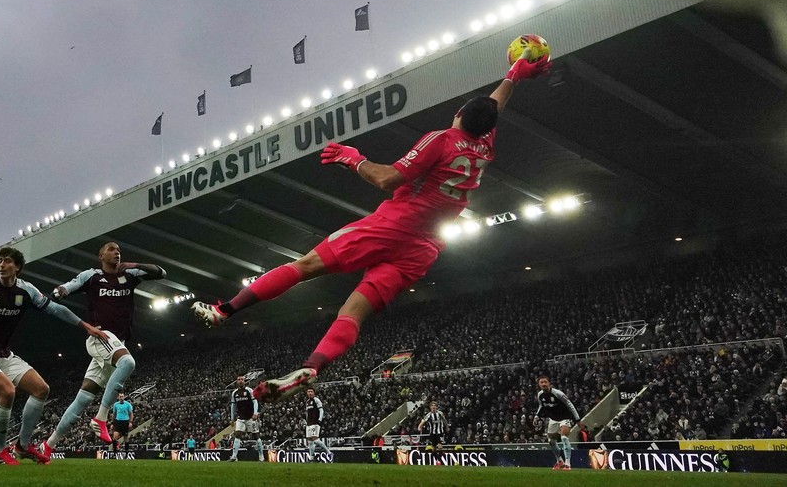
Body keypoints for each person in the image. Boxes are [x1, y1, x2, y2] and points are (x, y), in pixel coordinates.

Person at [193, 51, 553, 400]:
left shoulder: (442, 139)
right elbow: (493, 106)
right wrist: (514, 75)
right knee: (353, 312)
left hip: (392, 227)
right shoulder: (485, 145)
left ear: (458, 113)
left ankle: (225, 311)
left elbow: (387, 178)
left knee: (305, 266)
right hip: (423, 250)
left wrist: (353, 158)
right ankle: (312, 367)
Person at [0, 246, 110, 465]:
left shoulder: (26, 290)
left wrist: (86, 326)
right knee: (8, 392)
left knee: (41, 389)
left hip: (3, 354)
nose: (1, 265)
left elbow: (55, 309)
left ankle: (23, 445)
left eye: (7, 261)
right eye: (0, 261)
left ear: (17, 266)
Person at [43, 242, 166, 450]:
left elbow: (161, 273)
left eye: (118, 250)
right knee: (127, 363)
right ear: (101, 256)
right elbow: (68, 286)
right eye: (111, 249)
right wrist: (59, 292)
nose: (117, 252)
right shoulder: (92, 276)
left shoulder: (130, 274)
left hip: (116, 343)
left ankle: (48, 446)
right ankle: (100, 418)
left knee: (82, 398)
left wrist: (135, 264)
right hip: (100, 336)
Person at [535, 375, 582, 470]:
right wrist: (537, 416)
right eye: (541, 382)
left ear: (549, 383)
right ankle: (559, 461)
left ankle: (567, 463)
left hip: (565, 417)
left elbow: (570, 405)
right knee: (551, 441)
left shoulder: (558, 393)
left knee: (564, 437)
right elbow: (541, 405)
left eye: (545, 382)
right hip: (553, 419)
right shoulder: (540, 395)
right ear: (539, 384)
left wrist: (577, 420)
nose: (543, 384)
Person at [229, 375, 263, 462]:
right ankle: (234, 457)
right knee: (237, 435)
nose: (240, 381)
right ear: (236, 381)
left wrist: (255, 413)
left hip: (250, 418)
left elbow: (255, 402)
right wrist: (232, 418)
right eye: (239, 379)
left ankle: (261, 456)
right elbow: (233, 406)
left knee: (256, 436)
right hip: (240, 418)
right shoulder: (234, 393)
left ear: (244, 381)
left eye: (242, 379)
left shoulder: (249, 390)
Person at [304, 388, 330, 462]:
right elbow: (307, 413)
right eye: (308, 391)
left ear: (314, 393)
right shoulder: (307, 402)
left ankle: (329, 452)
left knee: (315, 439)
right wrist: (306, 421)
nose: (310, 393)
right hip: (309, 423)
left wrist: (320, 419)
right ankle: (311, 458)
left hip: (315, 422)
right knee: (310, 442)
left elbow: (321, 410)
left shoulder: (316, 400)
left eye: (311, 391)